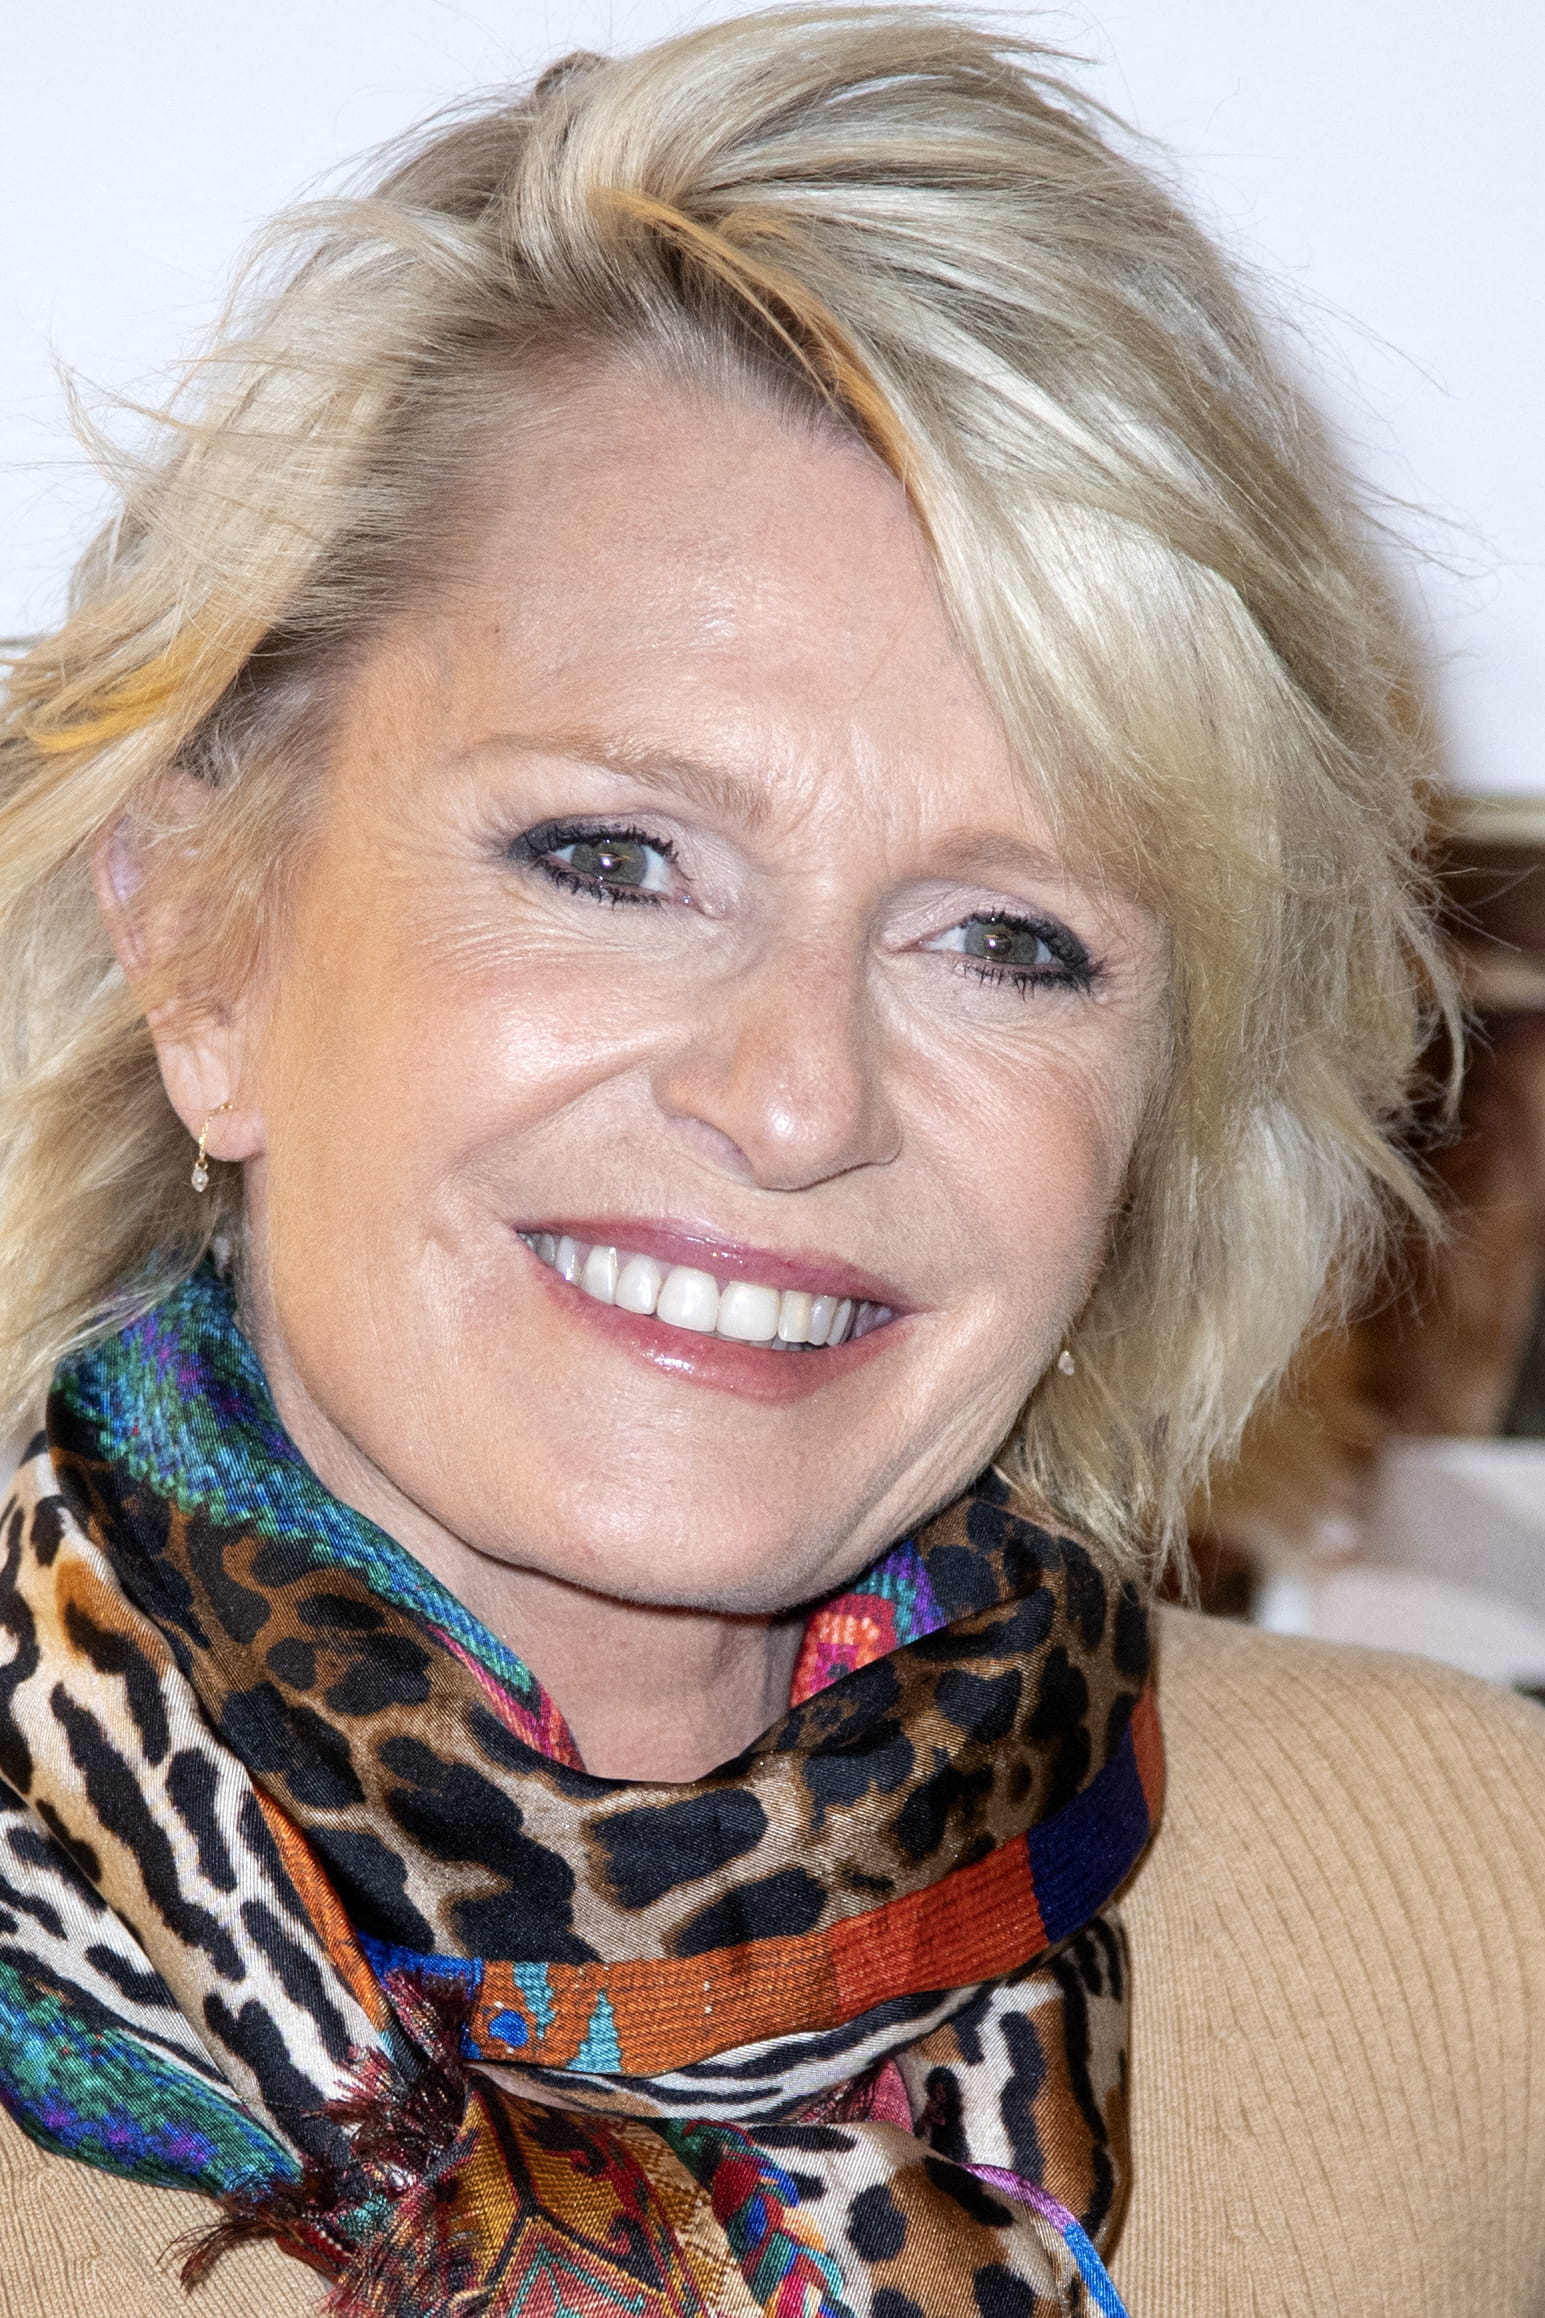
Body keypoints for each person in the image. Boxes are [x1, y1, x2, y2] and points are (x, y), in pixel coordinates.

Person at [0, 10, 1542, 2314]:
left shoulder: (1471, 1920)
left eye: (1009, 940)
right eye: (611, 857)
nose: (799, 1098)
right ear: (205, 941)